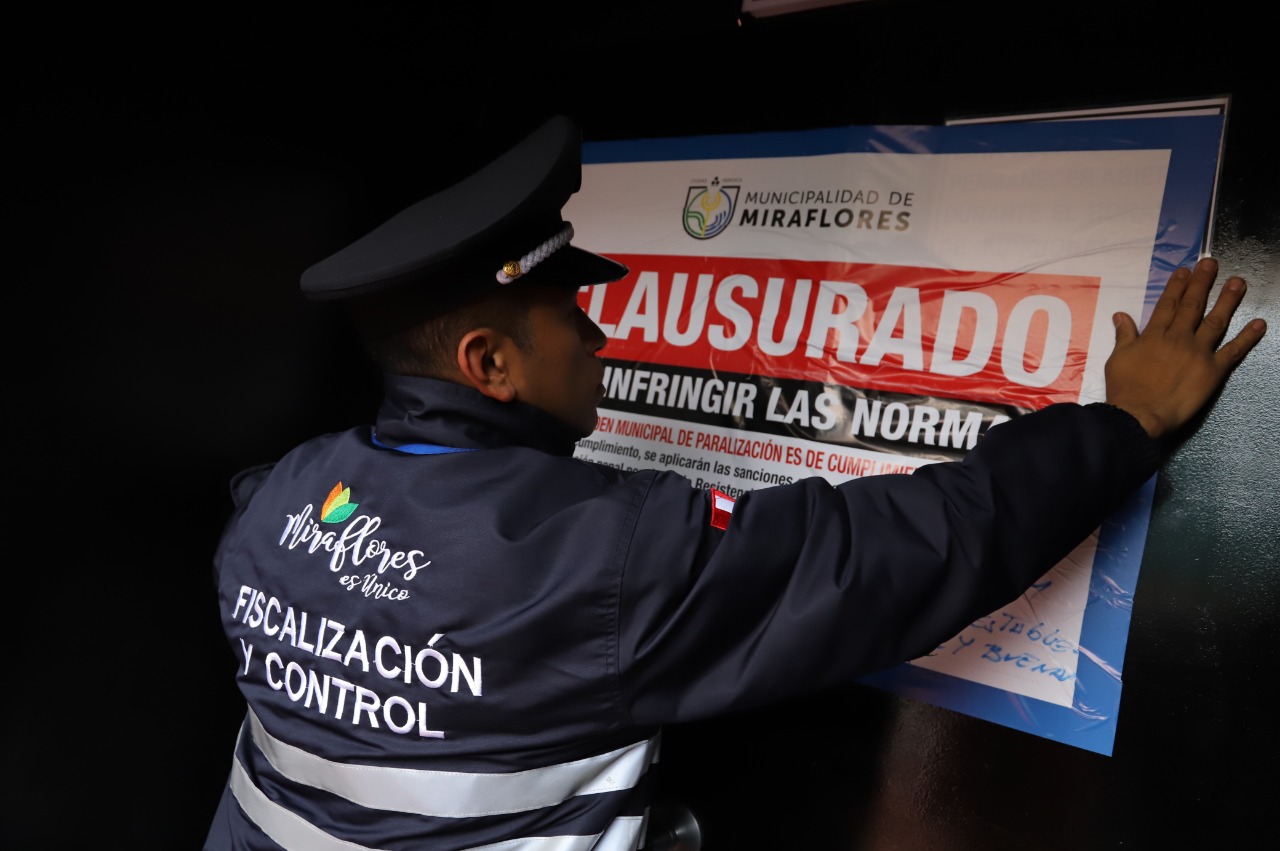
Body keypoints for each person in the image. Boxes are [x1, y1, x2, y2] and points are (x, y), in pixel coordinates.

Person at [203, 115, 1266, 851]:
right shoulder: (593, 559)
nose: (597, 335)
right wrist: (1124, 424)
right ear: (491, 363)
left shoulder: (278, 499)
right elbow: (908, 545)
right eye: (567, 316)